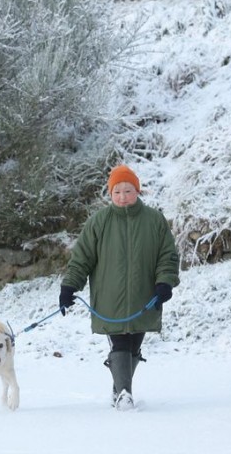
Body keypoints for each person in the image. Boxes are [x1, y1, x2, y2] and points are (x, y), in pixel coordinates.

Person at [59, 164, 180, 410]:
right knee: (121, 344)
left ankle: (118, 387)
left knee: (134, 346)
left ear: (137, 191)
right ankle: (125, 393)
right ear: (110, 194)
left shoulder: (154, 220)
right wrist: (69, 286)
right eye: (117, 192)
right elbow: (82, 258)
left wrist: (165, 282)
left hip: (144, 297)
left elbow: (167, 255)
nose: (122, 197)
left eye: (127, 191)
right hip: (109, 298)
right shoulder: (99, 222)